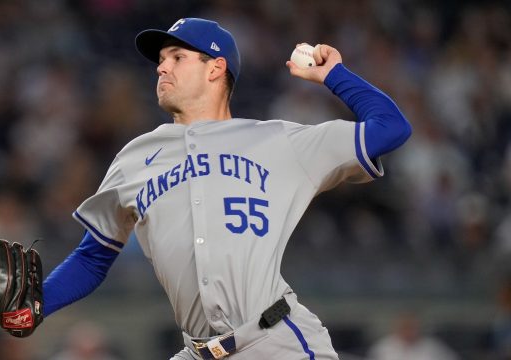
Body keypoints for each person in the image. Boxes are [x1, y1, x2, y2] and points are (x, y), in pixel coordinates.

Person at [41, 18, 411, 359]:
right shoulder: (135, 157)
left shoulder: (279, 140)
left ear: (216, 67)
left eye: (177, 57)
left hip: (276, 342)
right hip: (197, 351)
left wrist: (334, 75)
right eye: (161, 59)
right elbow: (93, 257)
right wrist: (34, 306)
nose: (161, 66)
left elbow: (391, 127)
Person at [367, 312, 459, 360]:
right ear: (396, 327)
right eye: (404, 327)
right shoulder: (383, 348)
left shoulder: (433, 347)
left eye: (411, 327)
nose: (408, 331)